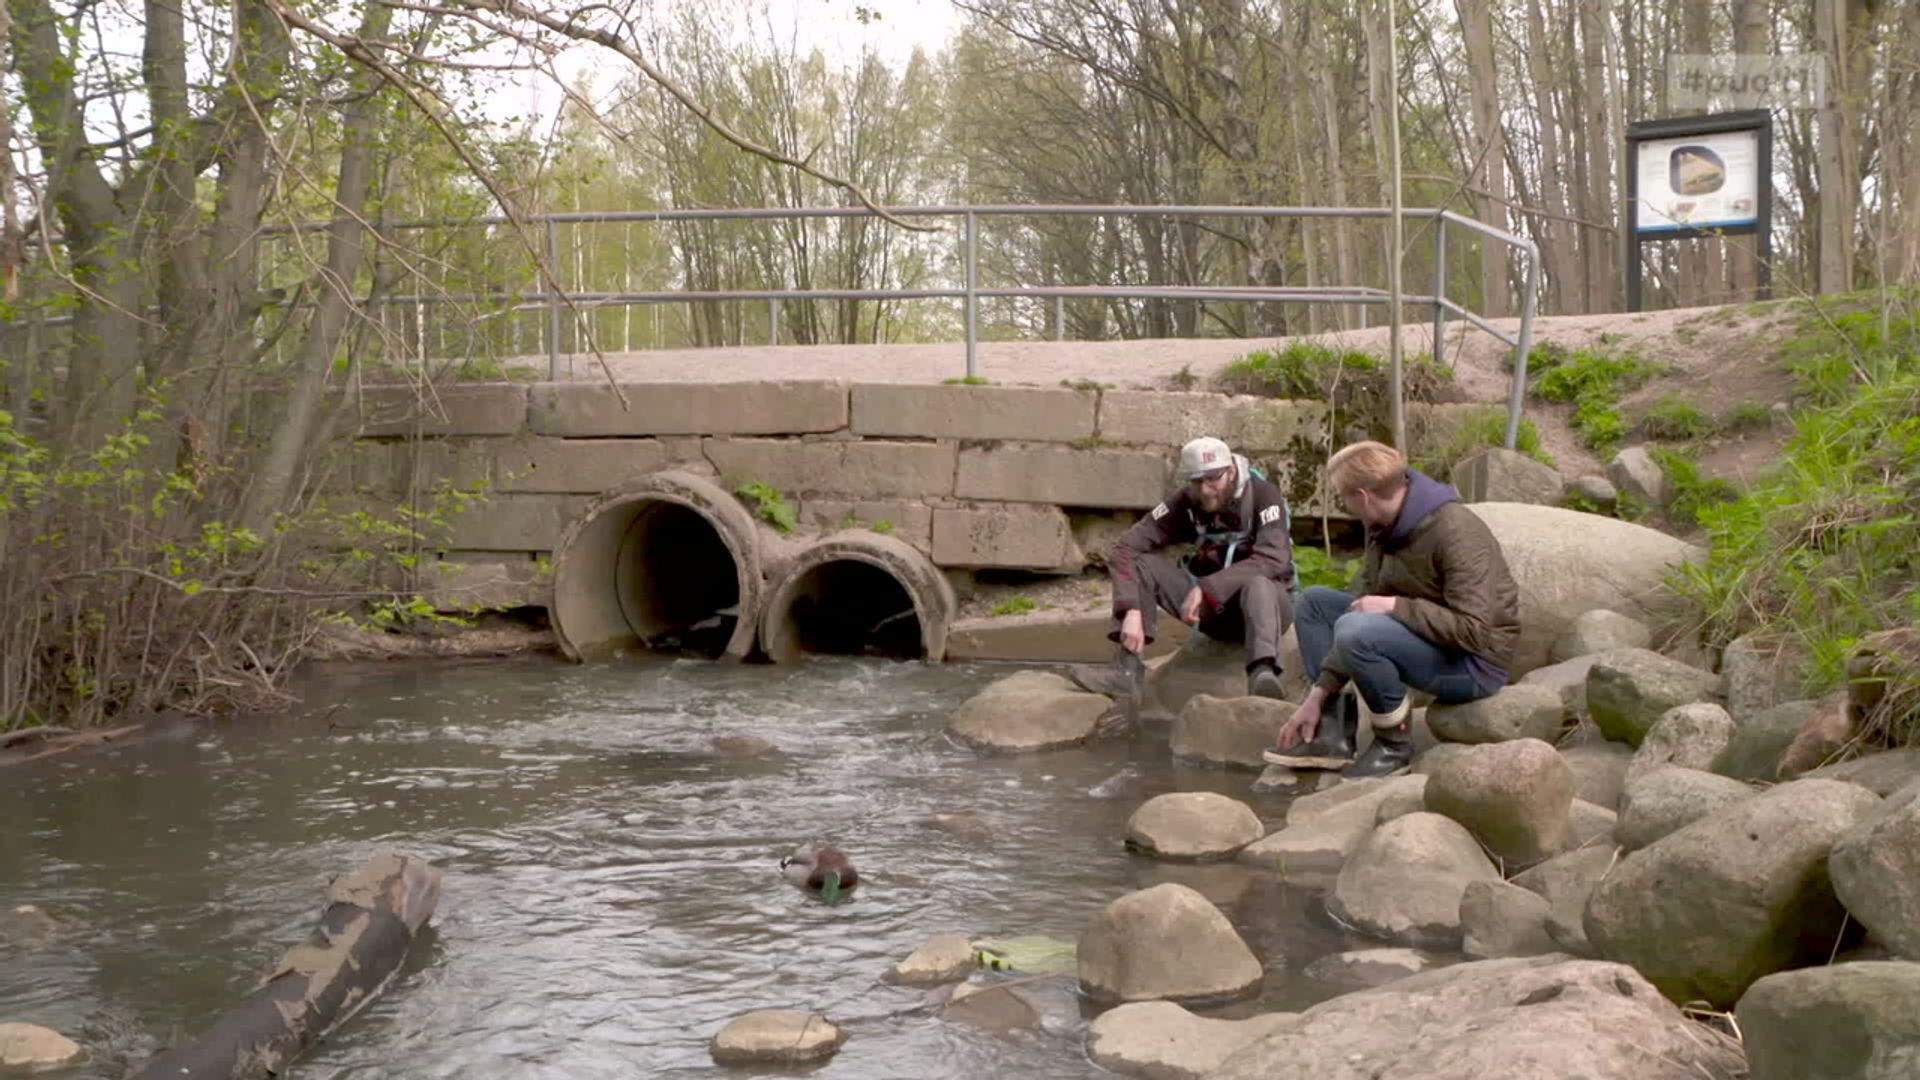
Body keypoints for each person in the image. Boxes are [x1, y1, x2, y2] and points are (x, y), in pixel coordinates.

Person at [1264, 440, 1521, 777]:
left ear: (1363, 497)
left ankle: (1393, 744)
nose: (1344, 505)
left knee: (1356, 630)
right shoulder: (1382, 526)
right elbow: (1361, 604)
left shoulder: (1456, 531)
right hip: (1419, 637)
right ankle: (1332, 732)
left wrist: (1395, 606)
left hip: (1472, 663)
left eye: (1342, 497)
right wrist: (1319, 693)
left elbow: (1474, 631)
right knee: (1314, 604)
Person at [1072, 436, 1296, 714]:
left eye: (1212, 479)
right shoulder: (1186, 503)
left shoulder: (1264, 495)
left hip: (1267, 608)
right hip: (1212, 612)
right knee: (1141, 563)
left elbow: (1273, 558)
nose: (1205, 490)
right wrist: (1131, 609)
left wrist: (1207, 587)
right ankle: (1127, 671)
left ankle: (1263, 673)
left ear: (1230, 471)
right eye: (1196, 482)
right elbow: (1126, 548)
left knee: (1259, 583)